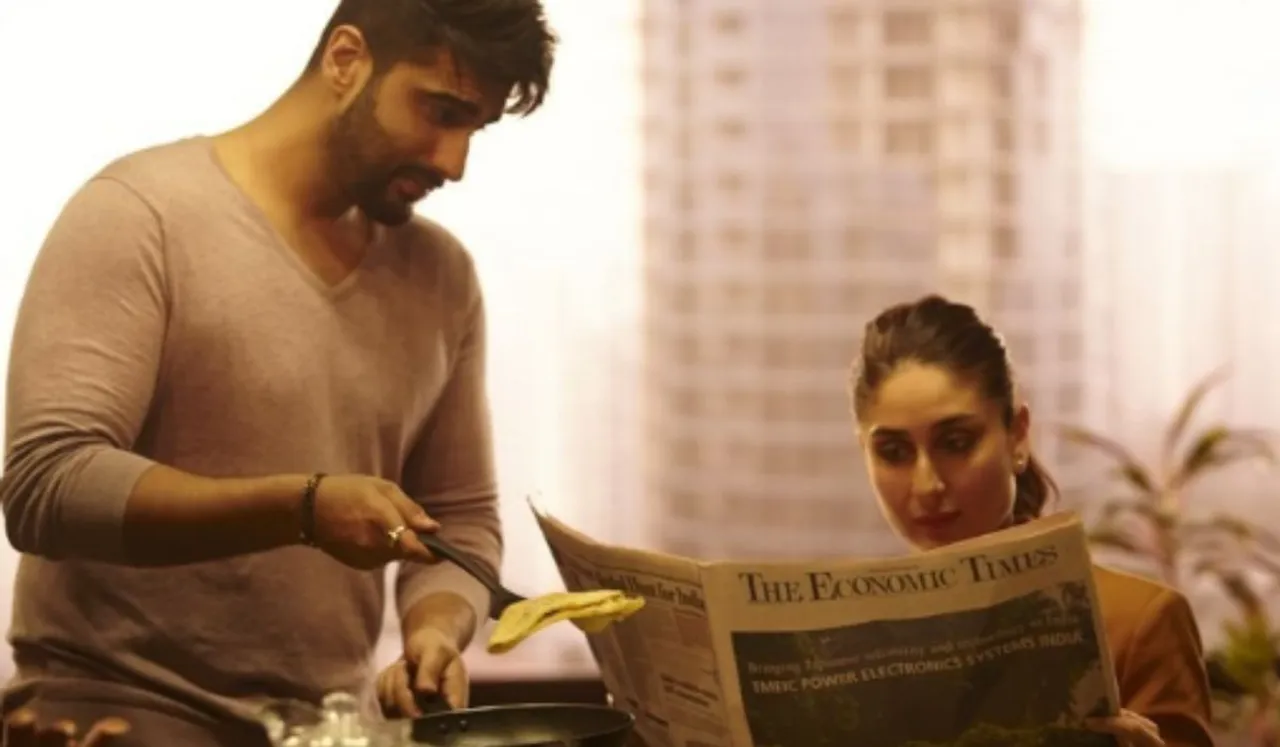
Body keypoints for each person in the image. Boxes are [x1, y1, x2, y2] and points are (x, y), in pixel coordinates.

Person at [0, 0, 555, 744]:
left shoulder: (441, 276)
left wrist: (435, 629)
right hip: (115, 710)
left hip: (323, 724)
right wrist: (303, 509)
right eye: (440, 111)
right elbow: (47, 484)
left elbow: (457, 517)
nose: (453, 162)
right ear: (346, 60)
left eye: (473, 129)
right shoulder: (141, 214)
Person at [849, 294, 1215, 747]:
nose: (927, 485)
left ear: (1017, 437)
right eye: (894, 453)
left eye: (957, 442)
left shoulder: (1136, 625)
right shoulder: (853, 643)